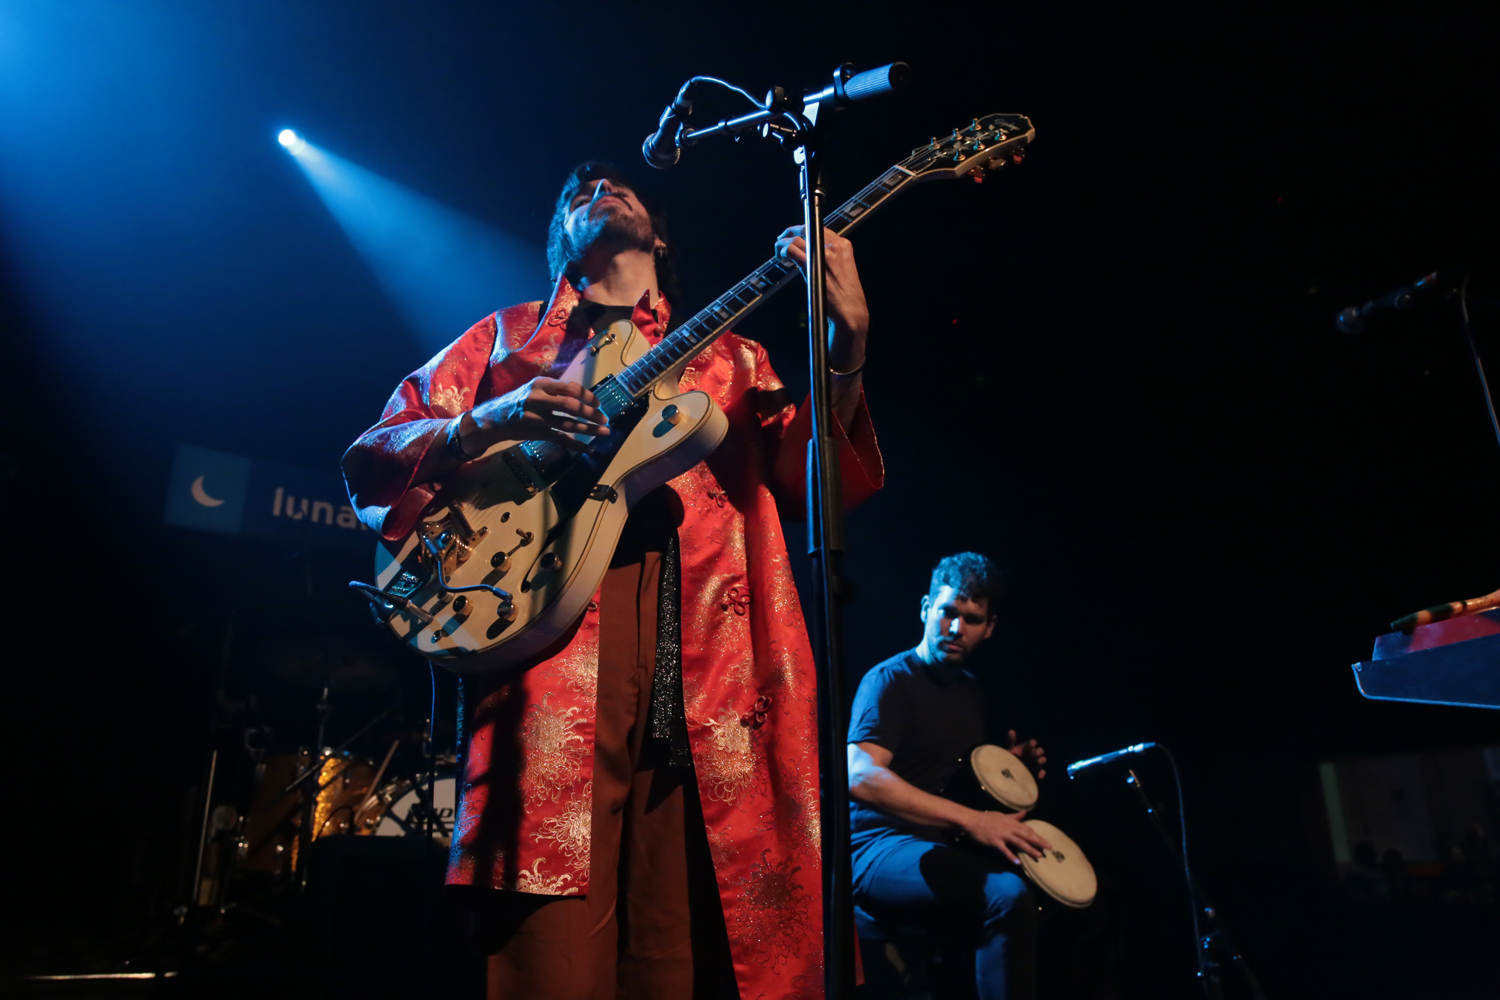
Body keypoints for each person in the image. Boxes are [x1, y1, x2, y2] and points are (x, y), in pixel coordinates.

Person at [342, 162, 882, 999]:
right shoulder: (505, 342)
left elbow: (821, 488)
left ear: (660, 236)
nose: (602, 189)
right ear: (562, 238)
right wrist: (487, 418)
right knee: (545, 937)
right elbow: (378, 454)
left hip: (708, 653)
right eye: (579, 192)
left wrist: (845, 347)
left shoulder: (736, 358)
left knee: (686, 929)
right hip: (547, 651)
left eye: (620, 187)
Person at [847, 552, 1049, 1000]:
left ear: (989, 627)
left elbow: (949, 780)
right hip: (875, 849)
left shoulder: (972, 694)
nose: (957, 628)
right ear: (925, 609)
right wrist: (972, 819)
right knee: (1006, 896)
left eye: (972, 619)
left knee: (1062, 896)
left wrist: (1008, 772)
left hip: (934, 846)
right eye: (948, 613)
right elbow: (860, 775)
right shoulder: (889, 681)